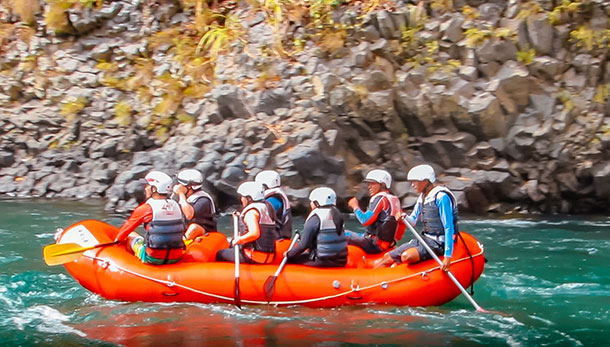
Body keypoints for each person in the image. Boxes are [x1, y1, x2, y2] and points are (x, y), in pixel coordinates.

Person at [373, 164, 457, 272]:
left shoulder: (441, 197)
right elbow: (412, 220)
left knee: (406, 256)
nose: (412, 185)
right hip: (424, 239)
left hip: (438, 243)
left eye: (415, 181)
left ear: (425, 181)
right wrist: (404, 217)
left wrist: (447, 256)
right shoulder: (422, 197)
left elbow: (448, 227)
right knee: (387, 257)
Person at [114, 170, 186, 265]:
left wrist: (116, 241)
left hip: (153, 258)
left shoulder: (146, 208)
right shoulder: (176, 205)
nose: (145, 188)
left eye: (147, 185)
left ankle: (131, 266)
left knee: (131, 236)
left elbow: (126, 230)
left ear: (154, 189)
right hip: (176, 257)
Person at [216, 181, 280, 264]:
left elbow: (254, 233)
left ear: (249, 198)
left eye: (243, 197)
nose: (241, 199)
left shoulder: (251, 213)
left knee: (220, 253)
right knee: (232, 246)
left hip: (255, 256)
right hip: (269, 256)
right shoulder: (267, 207)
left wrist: (239, 240)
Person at [285, 187, 348, 267]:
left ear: (317, 203)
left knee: (291, 259)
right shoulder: (338, 214)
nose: (310, 204)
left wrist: (288, 254)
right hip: (341, 261)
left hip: (322, 261)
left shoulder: (315, 217)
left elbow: (303, 245)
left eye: (311, 202)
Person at [346, 169, 404, 254]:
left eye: (373, 183)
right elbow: (401, 224)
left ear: (383, 184)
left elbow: (365, 220)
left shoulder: (379, 199)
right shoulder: (395, 200)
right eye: (369, 183)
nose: (369, 186)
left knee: (343, 234)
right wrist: (393, 240)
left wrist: (355, 206)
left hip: (374, 245)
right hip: (386, 245)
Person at [173, 169, 218, 240]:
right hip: (187, 234)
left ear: (189, 187)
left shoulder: (203, 200)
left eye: (180, 184)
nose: (178, 186)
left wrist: (181, 194)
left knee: (194, 228)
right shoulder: (185, 199)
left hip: (205, 236)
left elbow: (189, 215)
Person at [255, 170, 293, 240]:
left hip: (276, 240)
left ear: (264, 185)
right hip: (281, 238)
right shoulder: (276, 197)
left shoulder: (272, 200)